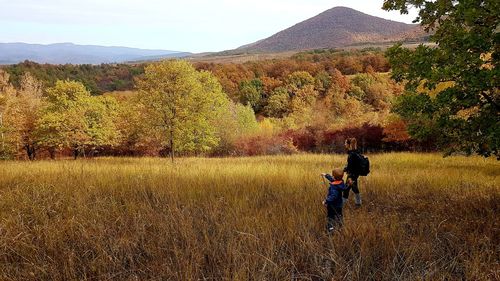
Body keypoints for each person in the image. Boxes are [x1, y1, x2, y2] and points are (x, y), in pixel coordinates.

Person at [321, 168, 348, 233]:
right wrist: (326, 175)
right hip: (339, 204)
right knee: (339, 215)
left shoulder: (334, 187)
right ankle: (340, 226)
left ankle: (330, 229)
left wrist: (326, 201)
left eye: (332, 175)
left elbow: (333, 196)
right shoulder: (341, 182)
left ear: (334, 177)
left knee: (331, 217)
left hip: (332, 205)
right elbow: (333, 180)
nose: (332, 176)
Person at [343, 137, 362, 206]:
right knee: (354, 187)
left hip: (352, 174)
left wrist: (344, 169)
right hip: (355, 174)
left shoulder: (351, 154)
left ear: (348, 144)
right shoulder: (355, 152)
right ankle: (358, 203)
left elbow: (350, 166)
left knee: (346, 189)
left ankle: (341, 205)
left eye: (345, 143)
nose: (344, 144)